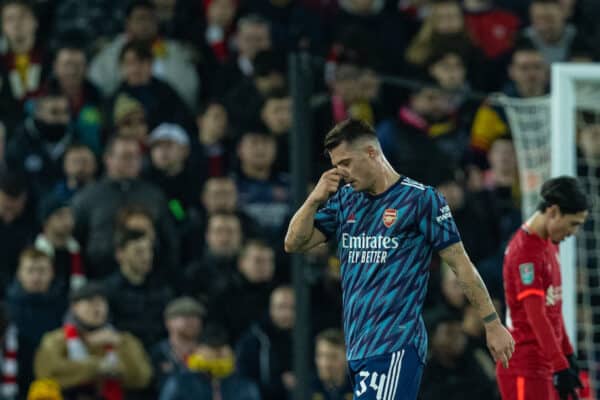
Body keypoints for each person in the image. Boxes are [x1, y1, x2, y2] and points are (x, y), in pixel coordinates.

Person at [284, 118, 514, 400]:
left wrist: (492, 324)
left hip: (395, 344)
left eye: (346, 162)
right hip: (358, 347)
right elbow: (294, 242)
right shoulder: (346, 200)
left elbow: (461, 265)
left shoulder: (421, 201)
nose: (341, 172)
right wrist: (313, 199)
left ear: (371, 153)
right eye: (336, 165)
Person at [497, 176, 588, 400]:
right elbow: (535, 314)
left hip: (547, 364)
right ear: (554, 211)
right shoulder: (525, 252)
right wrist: (560, 364)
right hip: (525, 368)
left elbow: (552, 311)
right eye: (573, 223)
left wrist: (567, 354)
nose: (573, 232)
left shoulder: (549, 243)